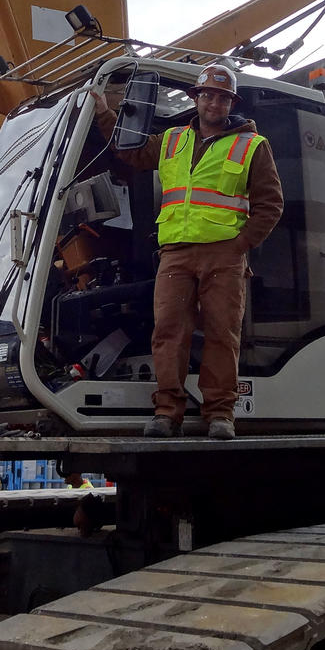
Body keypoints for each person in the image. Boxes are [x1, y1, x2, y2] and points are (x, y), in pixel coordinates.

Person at [92, 63, 284, 440]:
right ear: (196, 99)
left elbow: (271, 204)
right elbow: (130, 151)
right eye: (208, 95)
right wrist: (103, 114)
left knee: (222, 334)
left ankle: (220, 415)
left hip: (223, 257)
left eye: (222, 97)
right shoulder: (171, 140)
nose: (214, 103)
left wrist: (240, 245)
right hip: (176, 253)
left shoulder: (253, 146)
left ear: (231, 103)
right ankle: (167, 412)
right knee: (168, 333)